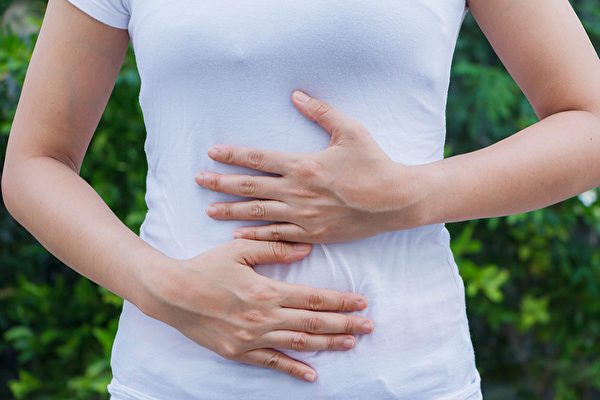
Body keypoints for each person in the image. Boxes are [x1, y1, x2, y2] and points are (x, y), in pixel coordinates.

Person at [2, 0, 599, 398]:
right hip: (174, 384)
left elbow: (589, 121)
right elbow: (35, 163)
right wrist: (166, 288)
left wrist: (407, 195)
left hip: (407, 382)